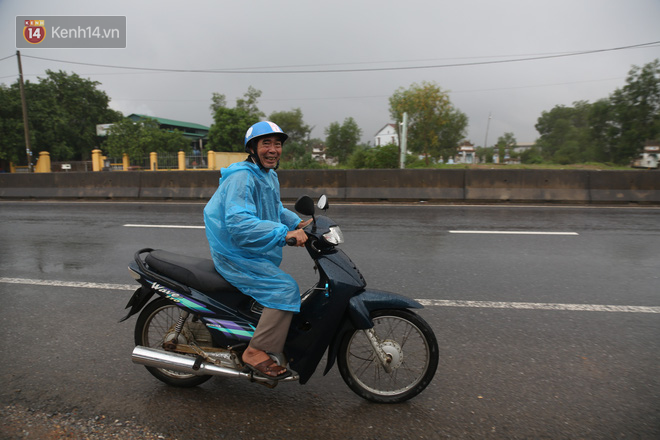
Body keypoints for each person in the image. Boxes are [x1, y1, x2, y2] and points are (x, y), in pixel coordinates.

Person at [203, 121, 310, 380]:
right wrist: (283, 234)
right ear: (252, 148)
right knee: (284, 289)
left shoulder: (267, 175)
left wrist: (297, 223)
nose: (273, 149)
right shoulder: (242, 177)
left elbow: (273, 209)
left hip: (251, 250)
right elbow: (240, 223)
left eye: (277, 144)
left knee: (274, 287)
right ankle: (254, 351)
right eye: (266, 143)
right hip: (235, 253)